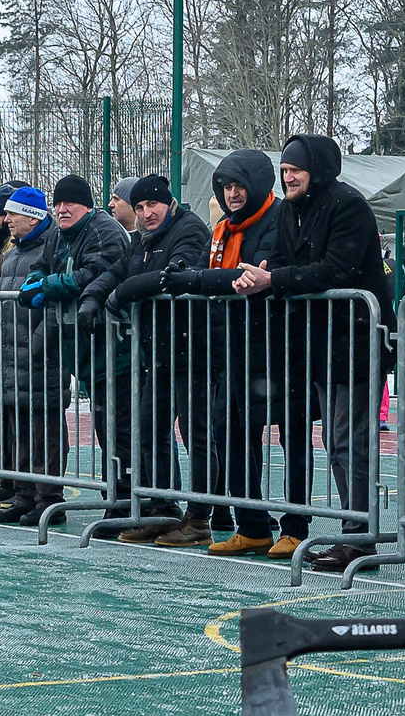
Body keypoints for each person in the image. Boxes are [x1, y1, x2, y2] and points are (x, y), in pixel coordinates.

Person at [220, 134, 391, 564]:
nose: (288, 176)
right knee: (337, 441)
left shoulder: (347, 205)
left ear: (317, 170)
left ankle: (359, 533)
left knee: (346, 441)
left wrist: (273, 281)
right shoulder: (291, 211)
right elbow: (279, 261)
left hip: (354, 341)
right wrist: (255, 278)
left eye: (295, 169)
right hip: (316, 344)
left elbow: (336, 269)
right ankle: (355, 529)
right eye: (285, 169)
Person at [153, 150, 282, 550]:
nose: (232, 194)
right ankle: (249, 522)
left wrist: (202, 279)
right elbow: (221, 277)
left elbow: (246, 276)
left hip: (266, 347)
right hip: (229, 346)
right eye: (226, 187)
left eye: (239, 185)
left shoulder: (275, 223)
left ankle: (285, 524)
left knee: (276, 436)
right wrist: (208, 279)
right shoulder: (222, 230)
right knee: (230, 432)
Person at [102, 172, 211, 542]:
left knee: (196, 435)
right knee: (149, 429)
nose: (147, 213)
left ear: (169, 203)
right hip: (159, 350)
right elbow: (119, 271)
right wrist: (94, 296)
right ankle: (162, 507)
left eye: (153, 205)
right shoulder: (142, 240)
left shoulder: (190, 229)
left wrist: (123, 293)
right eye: (140, 207)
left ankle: (200, 517)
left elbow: (171, 276)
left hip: (194, 347)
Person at [34, 176, 133, 516]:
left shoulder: (104, 231)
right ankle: (118, 499)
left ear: (87, 205)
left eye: (69, 204)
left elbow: (98, 272)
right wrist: (37, 281)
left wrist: (50, 285)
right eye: (57, 204)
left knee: (121, 427)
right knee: (107, 424)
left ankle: (127, 501)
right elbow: (41, 267)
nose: (61, 210)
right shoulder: (58, 235)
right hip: (83, 347)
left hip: (114, 346)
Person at [0, 186, 69, 522]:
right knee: (17, 427)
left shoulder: (50, 250)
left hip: (38, 357)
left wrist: (36, 345)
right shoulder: (13, 253)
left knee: (42, 429)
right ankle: (23, 493)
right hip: (9, 355)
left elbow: (53, 306)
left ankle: (48, 498)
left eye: (12, 214)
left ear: (32, 218)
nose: (6, 221)